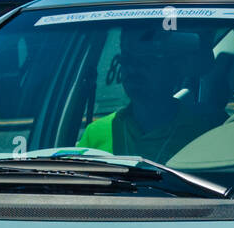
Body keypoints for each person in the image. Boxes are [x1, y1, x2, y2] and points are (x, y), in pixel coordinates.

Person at [77, 27, 221, 162]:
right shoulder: (95, 134)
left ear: (175, 67)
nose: (133, 69)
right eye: (127, 59)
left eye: (146, 60)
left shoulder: (207, 131)